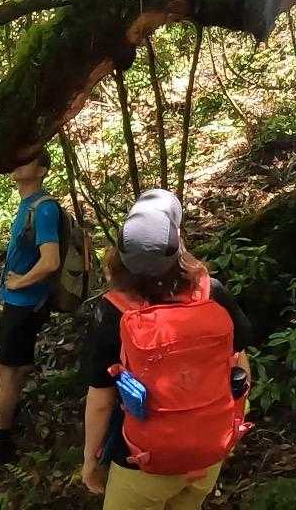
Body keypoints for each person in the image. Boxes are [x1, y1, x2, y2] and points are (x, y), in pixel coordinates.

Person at [80, 190, 253, 507]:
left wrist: (91, 459)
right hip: (208, 451)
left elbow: (102, 399)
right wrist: (231, 426)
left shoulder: (112, 311)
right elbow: (238, 362)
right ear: (178, 244)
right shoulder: (211, 292)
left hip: (142, 462)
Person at [0, 150, 64, 465]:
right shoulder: (29, 204)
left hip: (25, 305)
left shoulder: (44, 208)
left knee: (5, 370)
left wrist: (19, 282)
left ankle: (1, 439)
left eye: (27, 160)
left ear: (41, 170)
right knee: (13, 367)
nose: (17, 162)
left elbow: (51, 261)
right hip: (20, 303)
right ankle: (7, 413)